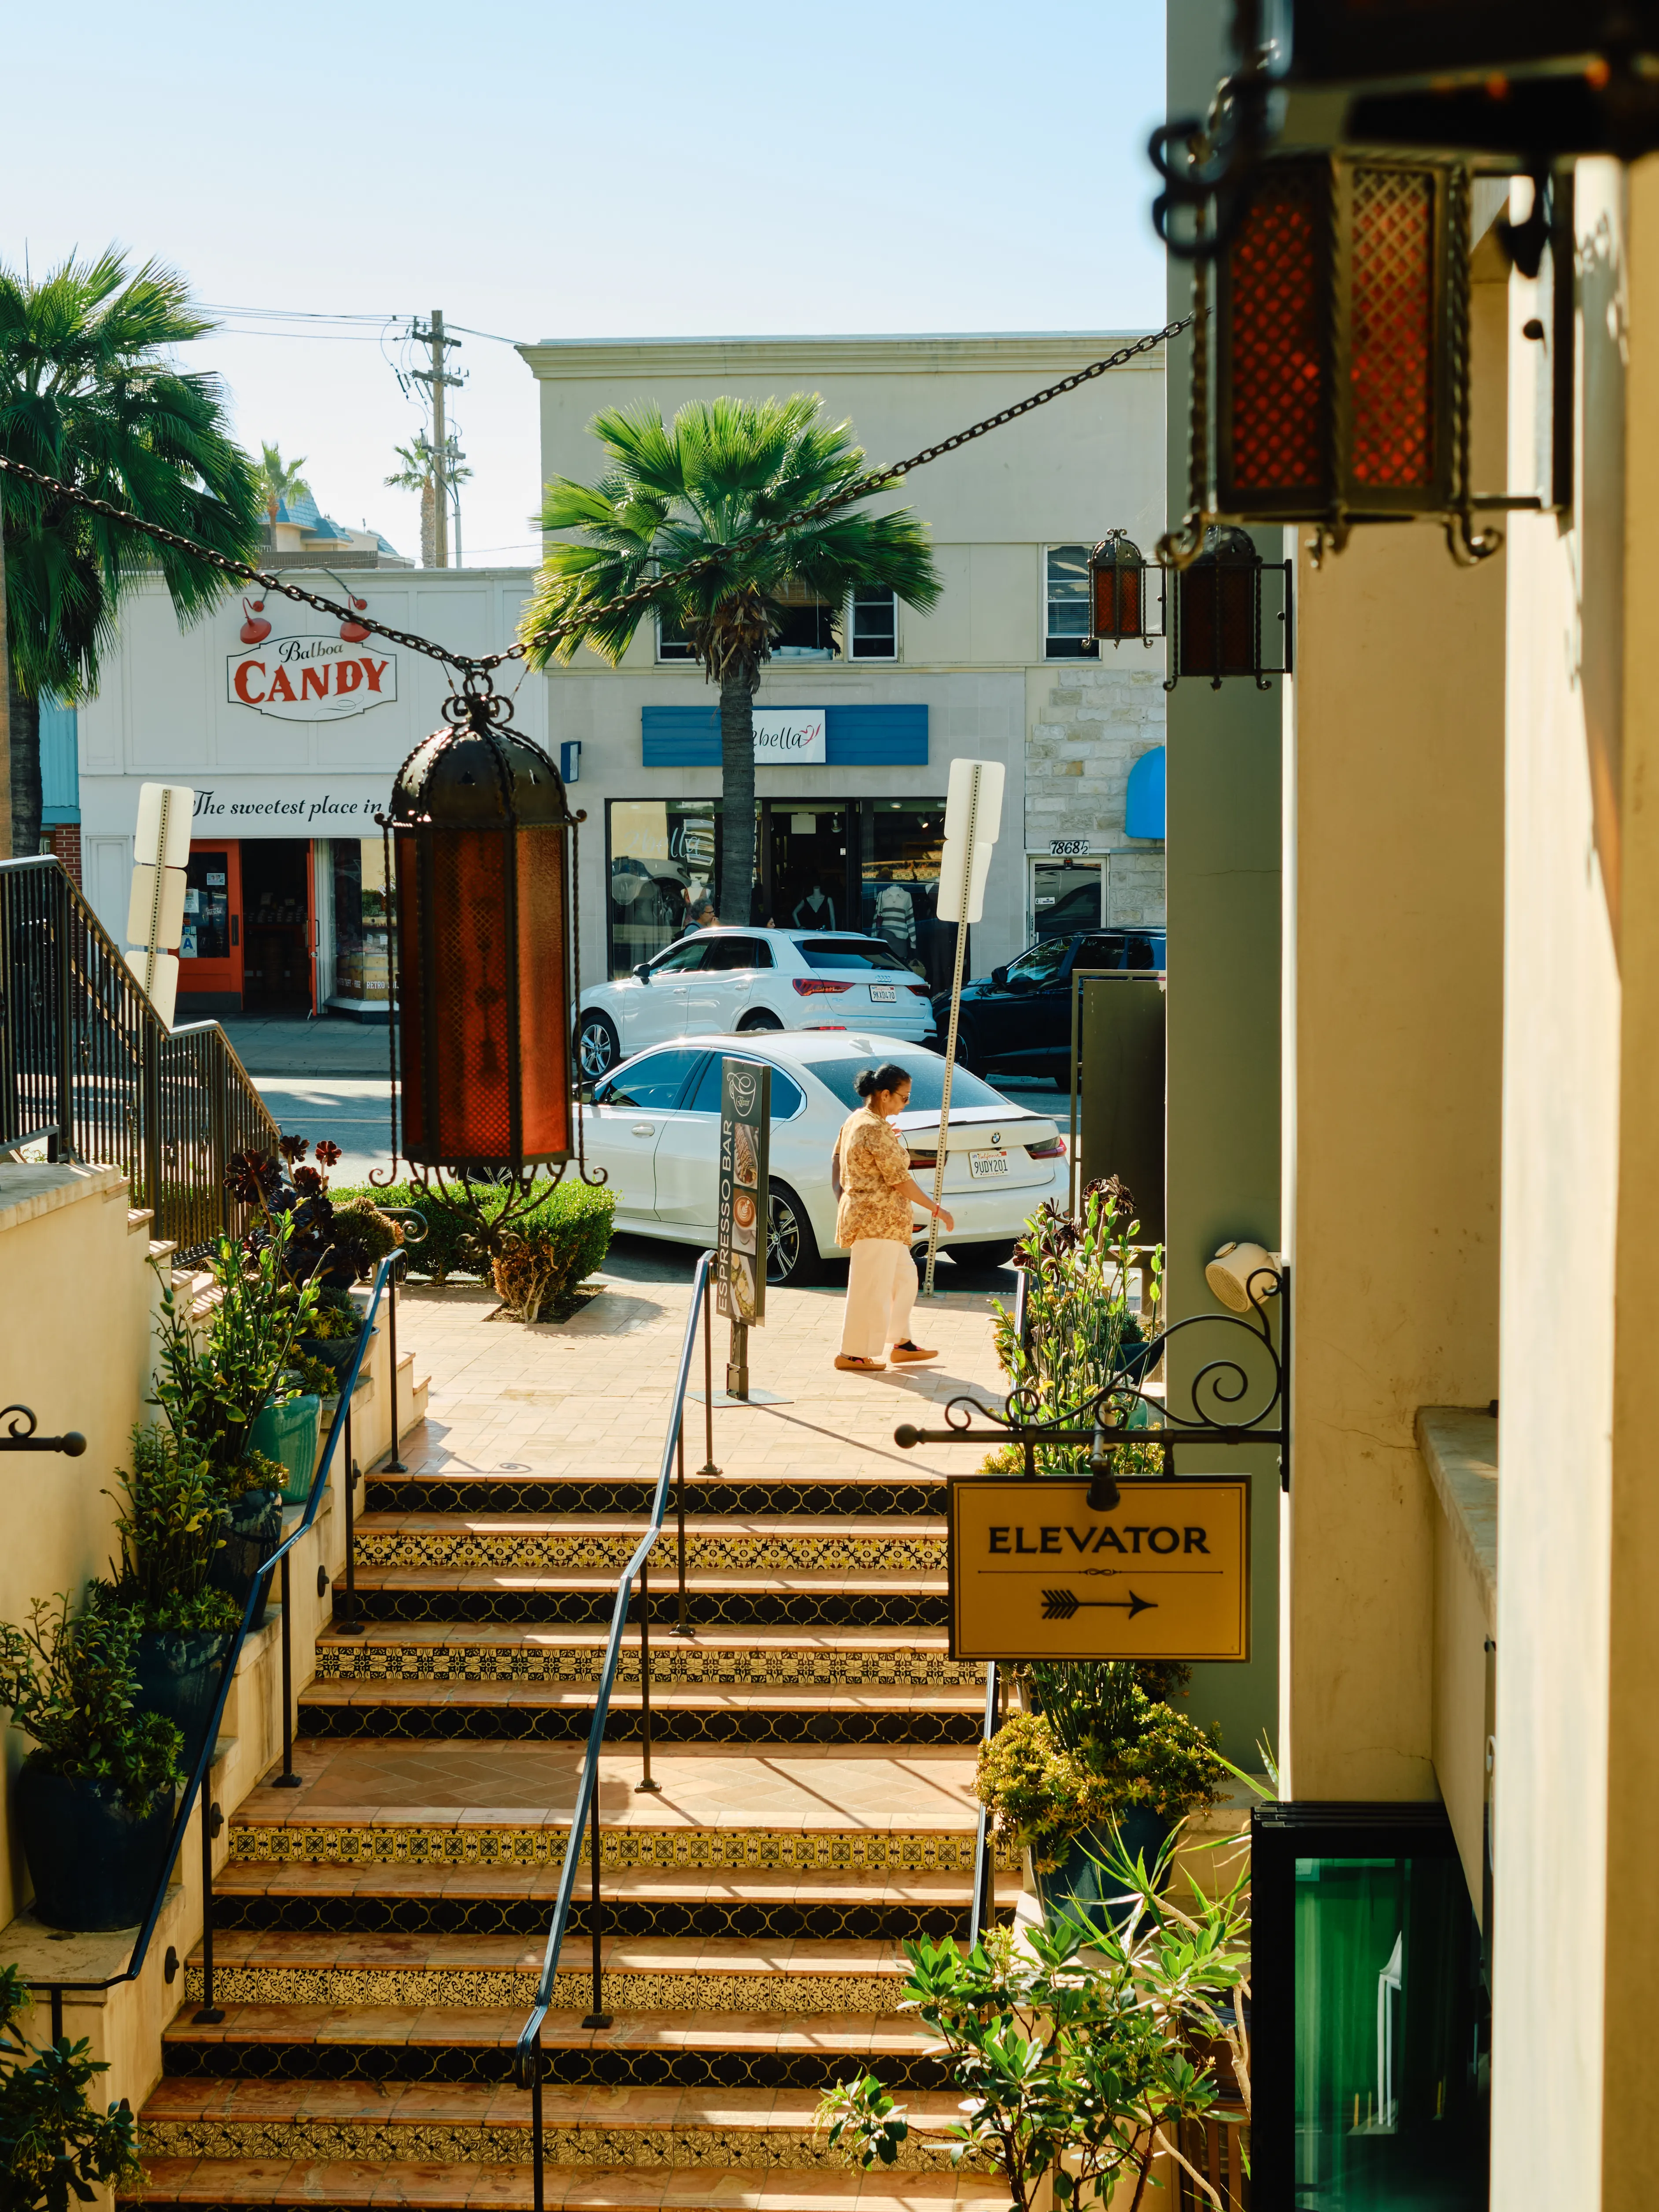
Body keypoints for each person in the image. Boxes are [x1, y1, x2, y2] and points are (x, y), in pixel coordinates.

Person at [831, 1062, 953, 1374]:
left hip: (881, 1222)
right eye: (904, 1097)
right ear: (885, 1095)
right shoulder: (873, 1128)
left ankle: (901, 1343)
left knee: (904, 1280)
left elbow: (837, 1159)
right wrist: (936, 1208)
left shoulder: (859, 1120)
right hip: (876, 1221)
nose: (906, 1103)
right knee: (870, 1287)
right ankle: (852, 1354)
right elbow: (900, 1180)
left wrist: (845, 1197)